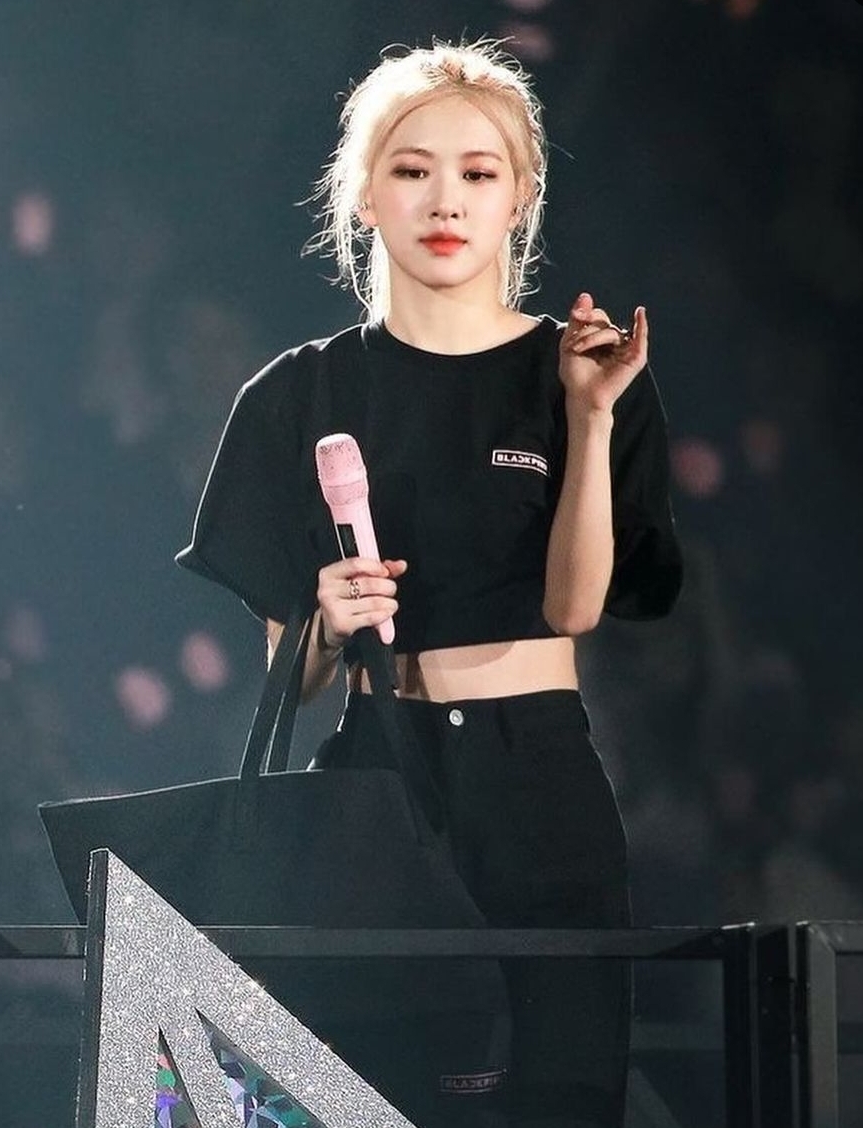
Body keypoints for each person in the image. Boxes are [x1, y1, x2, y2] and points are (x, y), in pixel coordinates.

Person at [177, 39, 682, 1128]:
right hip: (378, 774)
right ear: (365, 193)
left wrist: (590, 417)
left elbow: (575, 608)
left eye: (477, 172)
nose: (444, 199)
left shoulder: (583, 374)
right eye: (412, 169)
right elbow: (295, 677)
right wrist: (325, 618)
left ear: (521, 196)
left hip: (538, 773)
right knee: (373, 1098)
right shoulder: (298, 394)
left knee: (559, 1095)